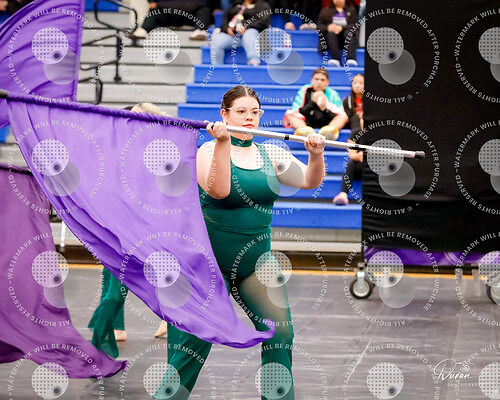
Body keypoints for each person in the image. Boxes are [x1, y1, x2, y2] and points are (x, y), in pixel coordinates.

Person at [155, 85, 325, 398]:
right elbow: (218, 190)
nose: (249, 118)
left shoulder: (271, 152)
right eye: (241, 112)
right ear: (225, 114)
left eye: (255, 112)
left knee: (280, 334)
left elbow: (309, 181)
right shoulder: (207, 151)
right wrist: (223, 143)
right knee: (191, 345)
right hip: (206, 266)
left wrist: (316, 154)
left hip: (256, 264)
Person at [88, 102, 166, 357]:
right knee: (112, 284)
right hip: (116, 227)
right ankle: (112, 330)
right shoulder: (118, 147)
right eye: (130, 117)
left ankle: (167, 317)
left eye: (138, 117)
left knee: (135, 281)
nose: (131, 122)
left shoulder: (159, 151)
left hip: (144, 229)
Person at [283, 68, 348, 140]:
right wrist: (312, 102)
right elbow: (299, 112)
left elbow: (338, 114)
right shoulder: (304, 90)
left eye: (322, 80)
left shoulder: (333, 94)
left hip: (327, 124)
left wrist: (324, 108)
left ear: (327, 82)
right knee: (290, 115)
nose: (319, 82)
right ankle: (305, 132)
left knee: (344, 116)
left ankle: (329, 132)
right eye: (316, 79)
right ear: (312, 80)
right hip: (307, 123)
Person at [211, 0, 271, 66]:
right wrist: (227, 28)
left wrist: (246, 27)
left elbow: (263, 22)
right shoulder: (236, 3)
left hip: (252, 36)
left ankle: (253, 61)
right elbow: (225, 18)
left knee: (249, 33)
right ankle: (216, 66)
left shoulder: (262, 4)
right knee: (217, 39)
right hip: (234, 36)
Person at [142, 0, 211, 41]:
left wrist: (215, 7)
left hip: (192, 14)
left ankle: (199, 31)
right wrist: (151, 1)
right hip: (165, 12)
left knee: (205, 11)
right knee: (154, 12)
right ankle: (144, 30)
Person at [317, 0, 358, 67]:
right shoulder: (325, 11)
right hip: (330, 41)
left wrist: (341, 27)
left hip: (346, 40)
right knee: (331, 33)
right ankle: (336, 59)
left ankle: (350, 59)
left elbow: (355, 26)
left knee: (349, 32)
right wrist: (327, 27)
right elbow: (319, 27)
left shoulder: (351, 10)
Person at [333, 125, 363, 205]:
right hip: (360, 166)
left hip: (374, 167)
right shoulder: (355, 133)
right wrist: (360, 156)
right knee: (351, 163)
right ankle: (343, 194)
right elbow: (352, 155)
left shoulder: (378, 133)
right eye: (362, 119)